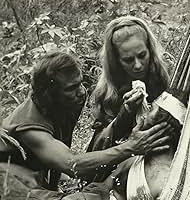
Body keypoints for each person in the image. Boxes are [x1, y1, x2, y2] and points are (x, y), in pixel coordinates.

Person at [0, 51, 170, 191]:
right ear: (49, 93)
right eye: (71, 88)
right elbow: (72, 164)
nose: (81, 92)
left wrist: (126, 111)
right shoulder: (30, 127)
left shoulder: (68, 100)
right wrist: (130, 147)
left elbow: (90, 148)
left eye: (80, 83)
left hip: (39, 174)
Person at [86, 15, 172, 182]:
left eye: (142, 55)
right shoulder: (107, 93)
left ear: (150, 50)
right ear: (116, 61)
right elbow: (98, 151)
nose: (138, 65)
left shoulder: (165, 76)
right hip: (126, 170)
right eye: (128, 60)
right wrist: (125, 113)